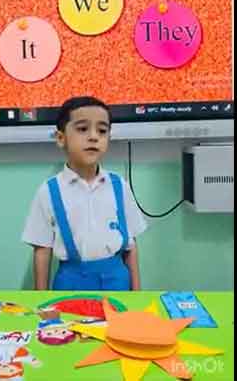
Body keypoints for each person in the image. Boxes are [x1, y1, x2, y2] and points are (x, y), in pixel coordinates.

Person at [21, 96, 148, 291]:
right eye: (82, 129)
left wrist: (137, 294)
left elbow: (131, 246)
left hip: (117, 280)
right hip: (70, 282)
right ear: (61, 138)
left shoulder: (119, 186)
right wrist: (41, 299)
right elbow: (42, 249)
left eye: (102, 130)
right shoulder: (49, 191)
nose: (93, 137)